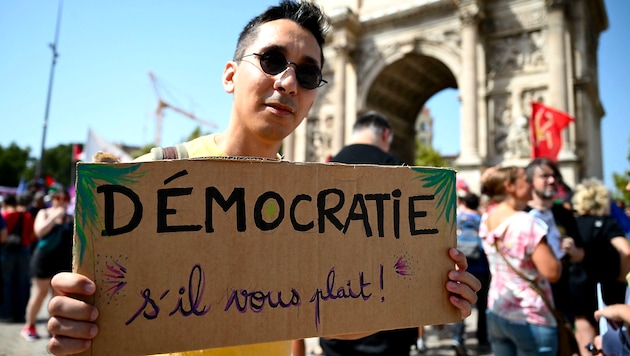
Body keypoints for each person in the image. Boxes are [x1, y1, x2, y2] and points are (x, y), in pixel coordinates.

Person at [46, 2, 481, 355]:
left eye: (307, 73)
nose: (288, 82)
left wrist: (429, 291)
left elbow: (338, 320)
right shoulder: (147, 178)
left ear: (313, 98)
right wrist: (78, 326)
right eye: (272, 60)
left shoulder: (315, 202)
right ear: (230, 75)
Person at [314, 111, 418, 356]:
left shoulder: (320, 170)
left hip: (331, 304)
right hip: (387, 311)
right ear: (386, 134)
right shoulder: (399, 170)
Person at [480, 166, 562, 355]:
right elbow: (552, 272)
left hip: (497, 311)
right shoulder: (526, 223)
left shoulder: (487, 218)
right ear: (509, 186)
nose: (531, 183)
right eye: (526, 179)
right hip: (531, 315)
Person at [569, 178, 630, 355]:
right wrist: (622, 276)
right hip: (606, 285)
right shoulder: (607, 223)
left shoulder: (573, 224)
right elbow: (626, 251)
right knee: (608, 334)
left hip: (578, 285)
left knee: (584, 332)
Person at [524, 158, 584, 327]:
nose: (552, 181)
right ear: (530, 182)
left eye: (555, 177)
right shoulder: (520, 215)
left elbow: (581, 255)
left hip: (563, 298)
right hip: (530, 301)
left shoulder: (564, 214)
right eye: (545, 176)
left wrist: (572, 250)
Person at [20, 190, 73, 341]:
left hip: (62, 261)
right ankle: (29, 326)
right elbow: (39, 231)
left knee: (57, 296)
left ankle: (52, 328)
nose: (61, 201)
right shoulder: (44, 212)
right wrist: (55, 216)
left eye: (65, 198)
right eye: (58, 198)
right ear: (53, 199)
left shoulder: (70, 218)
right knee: (40, 293)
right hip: (43, 259)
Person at [452, 191, 490, 355]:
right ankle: (482, 339)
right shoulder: (483, 220)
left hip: (462, 269)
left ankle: (458, 337)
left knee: (459, 303)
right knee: (482, 306)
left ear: (465, 203)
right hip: (481, 269)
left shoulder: (458, 218)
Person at [0, 194, 35, 324]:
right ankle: (21, 314)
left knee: (7, 283)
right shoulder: (27, 216)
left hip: (7, 251)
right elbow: (33, 235)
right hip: (24, 251)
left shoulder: (5, 216)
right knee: (23, 283)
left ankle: (7, 313)